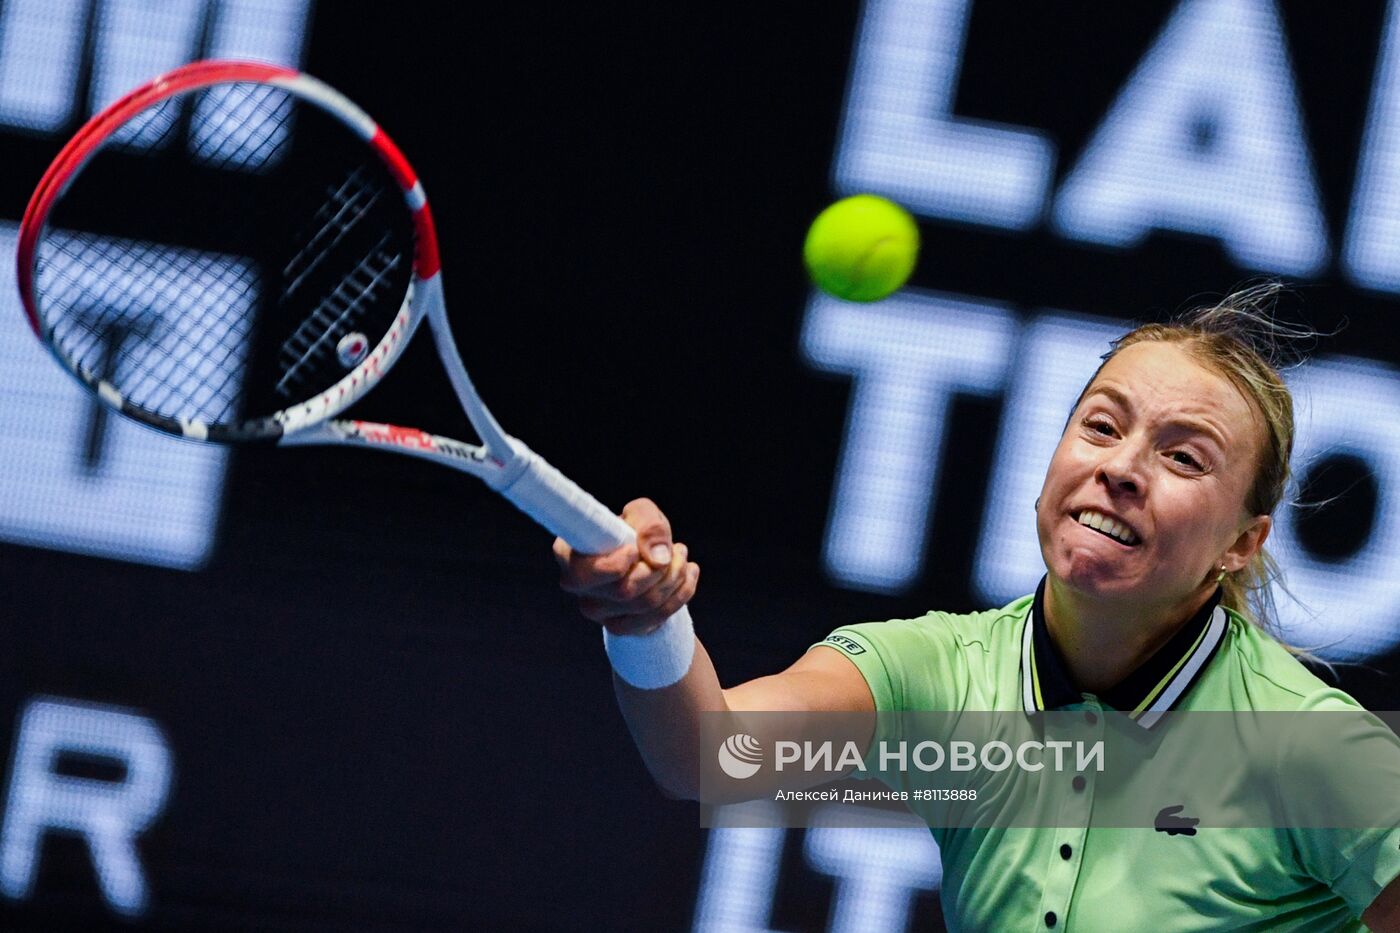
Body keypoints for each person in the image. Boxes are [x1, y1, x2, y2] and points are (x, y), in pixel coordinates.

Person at [554, 288, 1400, 932]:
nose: (1123, 468)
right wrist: (646, 623)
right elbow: (713, 758)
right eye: (1101, 427)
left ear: (1241, 545)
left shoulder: (1305, 746)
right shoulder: (944, 674)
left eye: (1182, 456)